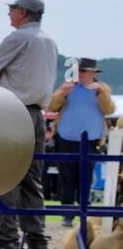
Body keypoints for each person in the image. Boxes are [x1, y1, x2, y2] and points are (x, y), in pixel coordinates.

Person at [0, 0, 58, 249]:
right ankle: (37, 244)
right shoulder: (48, 41)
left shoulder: (18, 38)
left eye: (12, 9)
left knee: (2, 177)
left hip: (13, 110)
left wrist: (3, 74)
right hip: (37, 113)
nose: (9, 13)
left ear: (23, 13)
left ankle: (7, 243)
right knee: (32, 181)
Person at [49, 58, 114, 226]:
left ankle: (86, 213)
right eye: (79, 71)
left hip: (91, 140)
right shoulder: (67, 87)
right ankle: (67, 214)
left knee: (86, 178)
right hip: (66, 138)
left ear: (93, 73)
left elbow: (109, 110)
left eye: (83, 71)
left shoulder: (102, 89)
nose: (80, 74)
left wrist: (101, 93)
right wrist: (63, 92)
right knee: (66, 178)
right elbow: (51, 106)